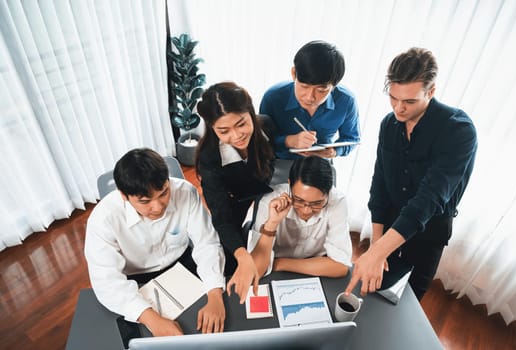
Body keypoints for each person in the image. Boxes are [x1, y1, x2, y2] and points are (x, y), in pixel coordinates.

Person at [345, 47, 477, 300]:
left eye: (409, 101)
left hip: (429, 229)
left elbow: (430, 197)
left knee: (411, 297)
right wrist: (376, 243)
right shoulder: (389, 124)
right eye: (393, 98)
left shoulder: (458, 130)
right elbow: (380, 183)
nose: (398, 108)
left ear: (431, 91)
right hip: (391, 220)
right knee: (375, 290)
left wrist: (377, 251)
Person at [85, 148, 226, 336]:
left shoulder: (185, 192)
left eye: (163, 193)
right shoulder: (103, 219)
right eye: (145, 201)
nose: (158, 207)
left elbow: (206, 243)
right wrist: (151, 319)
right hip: (136, 278)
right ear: (124, 196)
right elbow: (106, 280)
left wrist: (215, 295)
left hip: (182, 264)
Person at [195, 82, 274, 303]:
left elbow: (272, 158)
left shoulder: (266, 125)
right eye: (224, 131)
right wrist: (241, 254)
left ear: (251, 113)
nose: (237, 135)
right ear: (212, 128)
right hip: (232, 203)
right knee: (233, 258)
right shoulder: (209, 158)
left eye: (241, 124)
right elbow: (221, 217)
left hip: (262, 190)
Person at [248, 156, 352, 278]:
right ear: (289, 184)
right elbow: (255, 270)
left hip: (314, 269)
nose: (306, 210)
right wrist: (271, 224)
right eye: (298, 200)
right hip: (286, 273)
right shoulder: (269, 201)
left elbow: (340, 266)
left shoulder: (337, 201)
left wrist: (279, 263)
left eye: (317, 203)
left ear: (329, 192)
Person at [260, 40, 360, 160]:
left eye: (321, 90)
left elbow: (352, 139)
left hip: (320, 165)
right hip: (279, 163)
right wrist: (289, 141)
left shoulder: (346, 101)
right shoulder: (273, 97)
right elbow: (261, 140)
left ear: (334, 85)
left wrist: (334, 152)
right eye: (304, 86)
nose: (310, 97)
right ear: (293, 73)